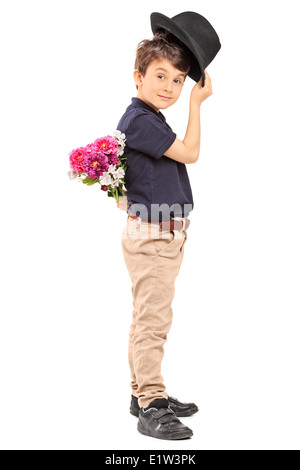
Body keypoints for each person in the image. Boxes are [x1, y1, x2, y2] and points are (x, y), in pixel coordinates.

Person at [116, 27, 213, 440]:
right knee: (152, 322)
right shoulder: (141, 121)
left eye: (179, 80)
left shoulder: (148, 119)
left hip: (159, 233)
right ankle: (151, 404)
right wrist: (196, 101)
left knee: (148, 319)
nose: (170, 87)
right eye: (160, 76)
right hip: (155, 237)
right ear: (138, 76)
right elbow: (190, 153)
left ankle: (142, 392)